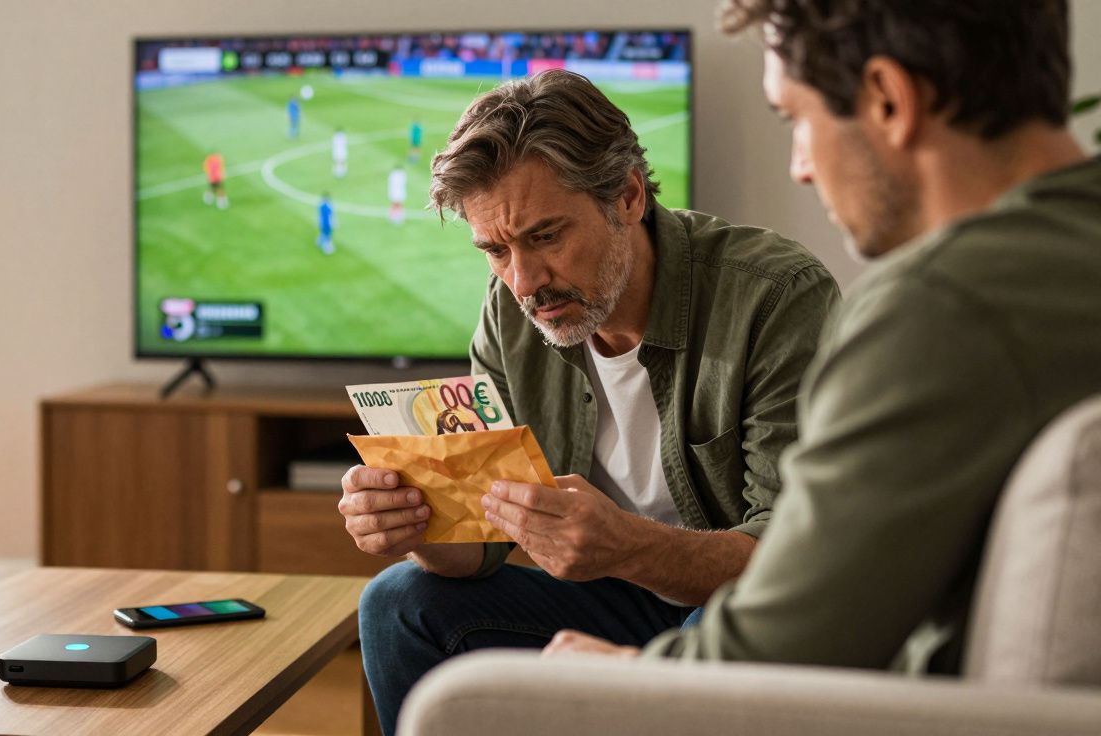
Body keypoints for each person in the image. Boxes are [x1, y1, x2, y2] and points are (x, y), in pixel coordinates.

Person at [542, 0, 1101, 677]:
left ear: (889, 100)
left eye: (797, 119)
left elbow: (783, 650)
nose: (800, 167)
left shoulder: (937, 312)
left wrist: (609, 679)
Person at [341, 69, 840, 732]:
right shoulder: (510, 313)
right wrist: (419, 525)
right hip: (611, 602)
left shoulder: (775, 296)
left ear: (628, 196)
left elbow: (795, 563)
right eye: (494, 250)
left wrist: (628, 547)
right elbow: (483, 545)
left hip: (740, 612)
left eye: (546, 237)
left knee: (711, 626)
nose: (524, 282)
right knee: (397, 601)